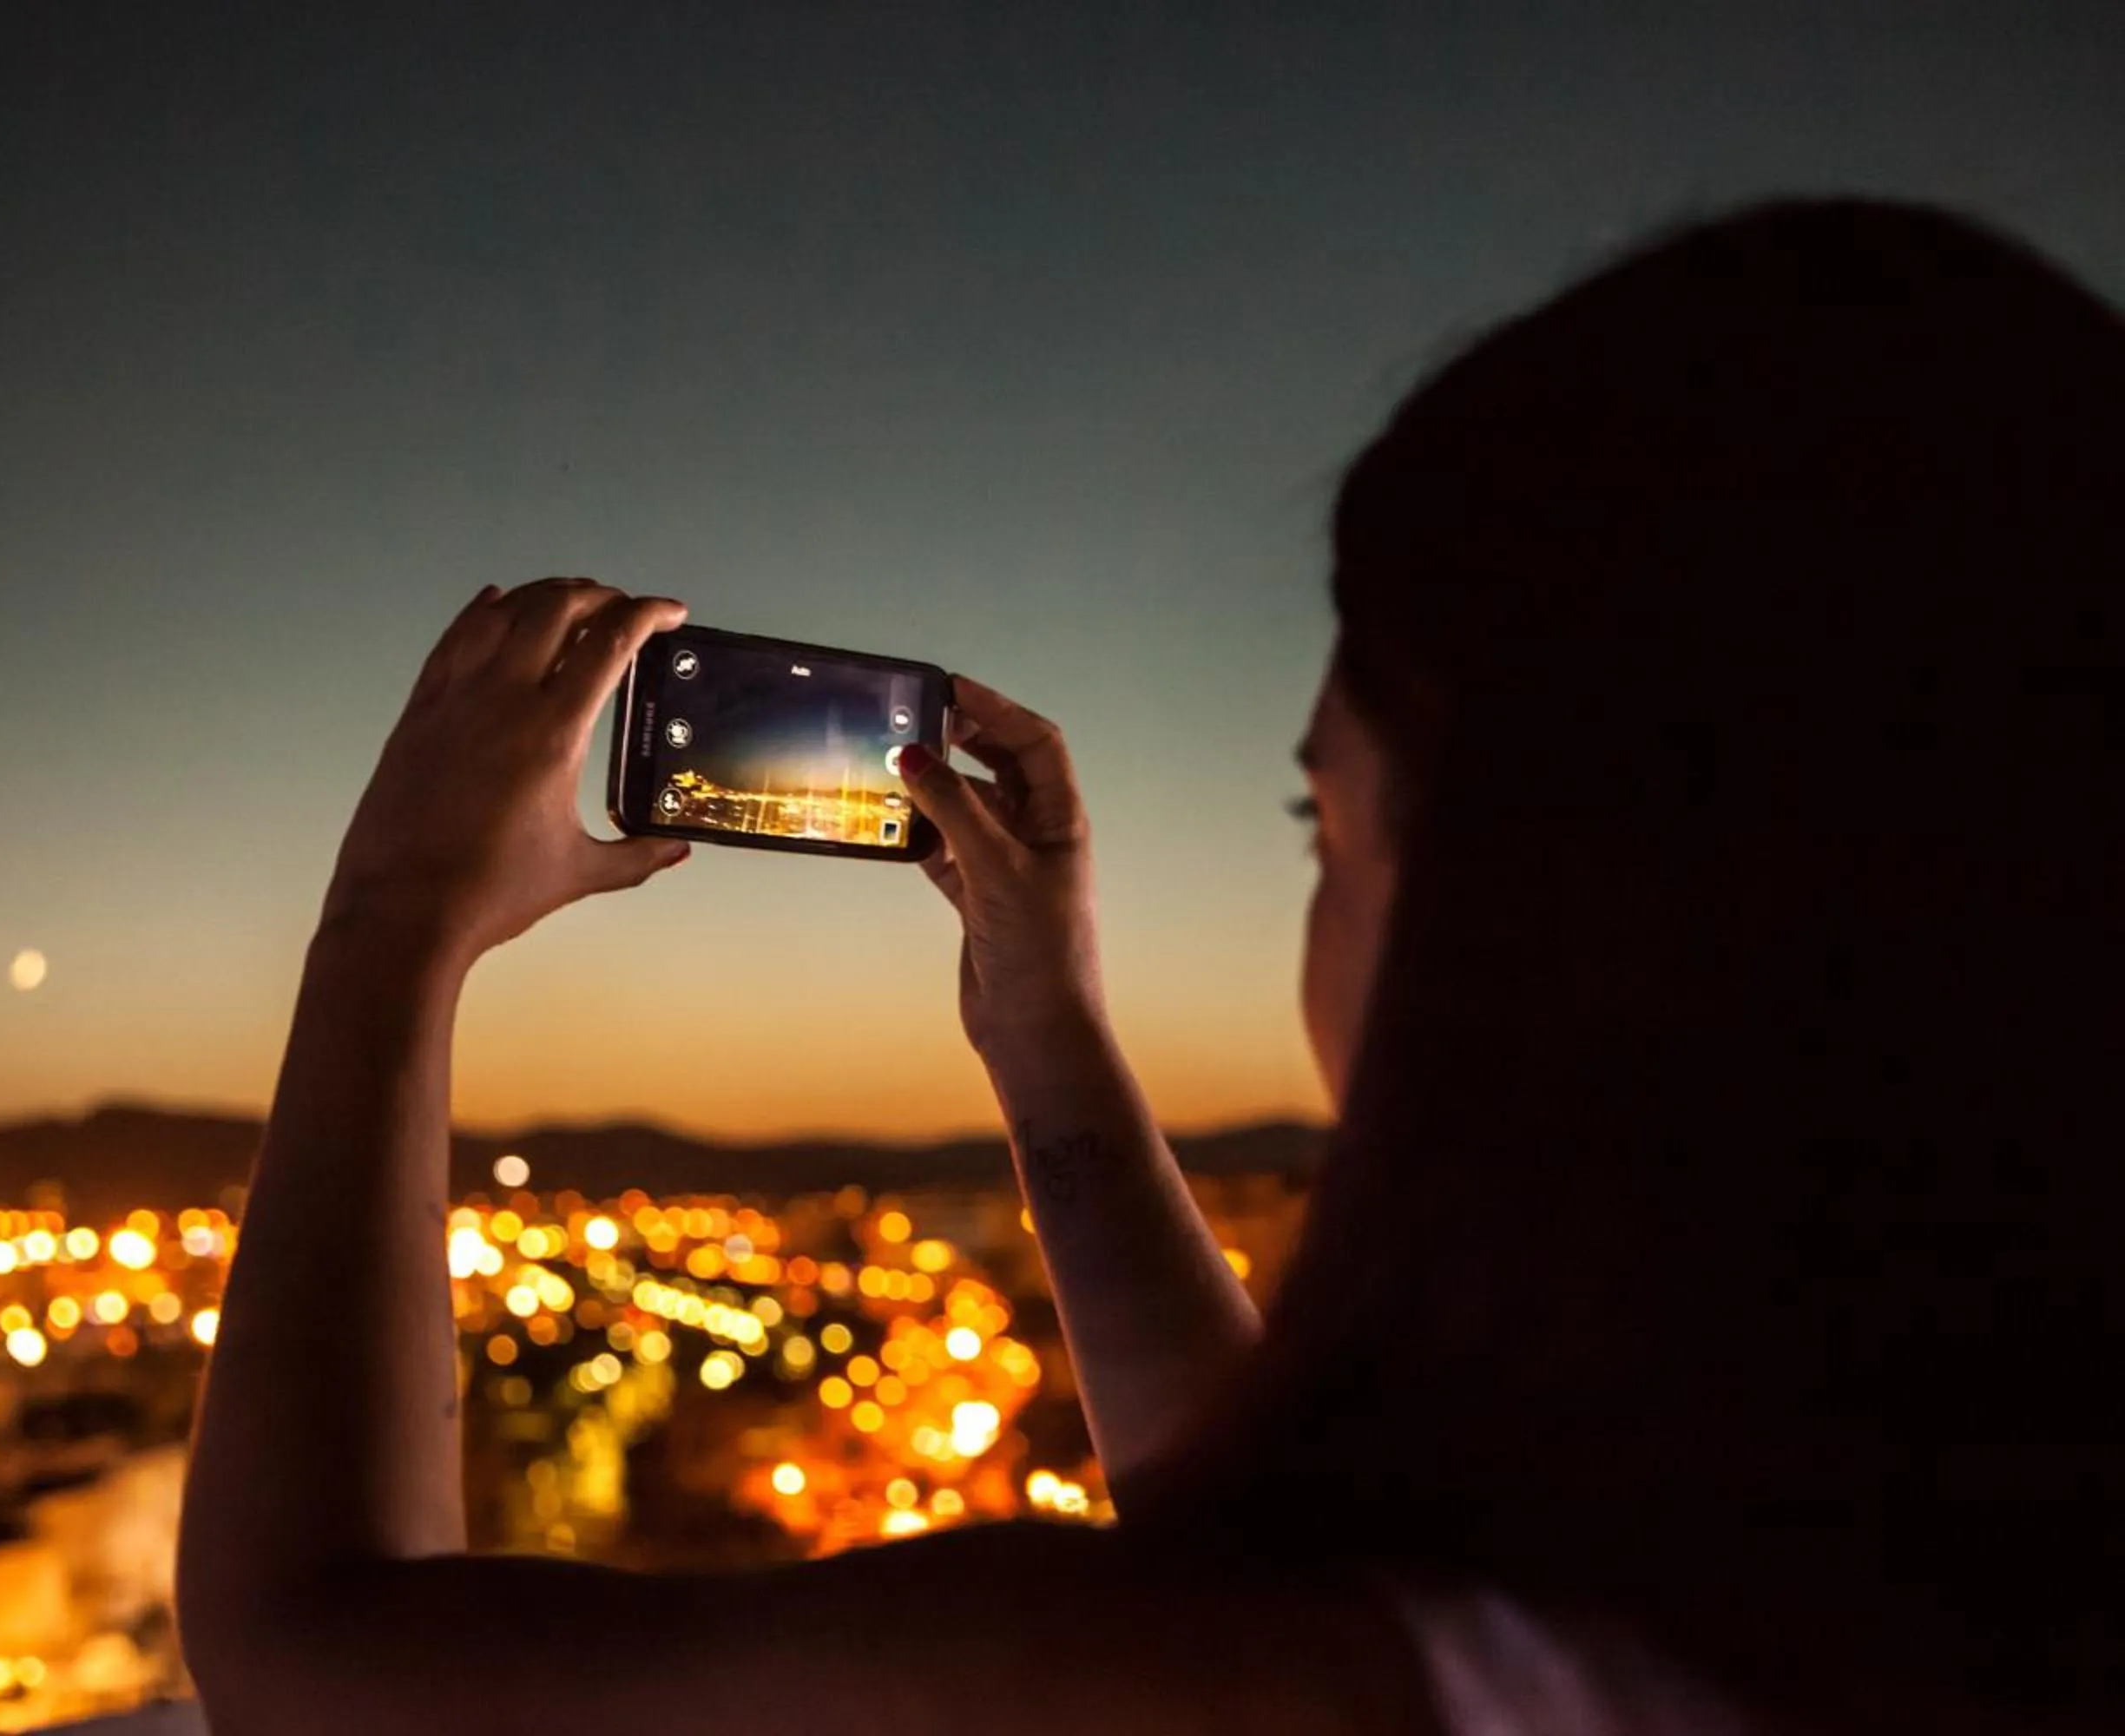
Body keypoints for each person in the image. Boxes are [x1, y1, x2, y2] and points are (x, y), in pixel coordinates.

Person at [176, 194, 2125, 1733]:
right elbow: (1280, 1540)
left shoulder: (1282, 1687)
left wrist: (391, 927)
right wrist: (1050, 1040)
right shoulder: (1935, 1576)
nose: (1322, 905)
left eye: (1329, 831)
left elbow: (312, 1655)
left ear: (1539, 931)